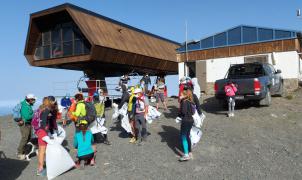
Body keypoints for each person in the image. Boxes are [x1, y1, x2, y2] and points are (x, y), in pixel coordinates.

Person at [35, 97, 56, 176]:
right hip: (43, 131)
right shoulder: (47, 109)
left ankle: (39, 168)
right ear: (49, 102)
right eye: (53, 101)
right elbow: (43, 121)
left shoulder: (41, 108)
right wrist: (47, 131)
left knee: (41, 150)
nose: (53, 103)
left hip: (38, 131)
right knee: (43, 151)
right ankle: (41, 169)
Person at [17, 94, 36, 160]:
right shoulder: (25, 106)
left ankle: (26, 152)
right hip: (24, 124)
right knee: (25, 138)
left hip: (28, 124)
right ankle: (20, 153)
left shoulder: (28, 105)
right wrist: (34, 114)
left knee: (29, 138)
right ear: (30, 99)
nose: (34, 101)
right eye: (33, 99)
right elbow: (27, 116)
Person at [178, 90, 195, 161]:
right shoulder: (191, 102)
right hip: (191, 120)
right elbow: (193, 112)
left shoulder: (184, 102)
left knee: (183, 137)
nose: (180, 95)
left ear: (185, 95)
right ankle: (190, 152)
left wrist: (179, 115)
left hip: (185, 120)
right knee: (187, 135)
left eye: (181, 94)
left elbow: (183, 112)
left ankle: (186, 154)